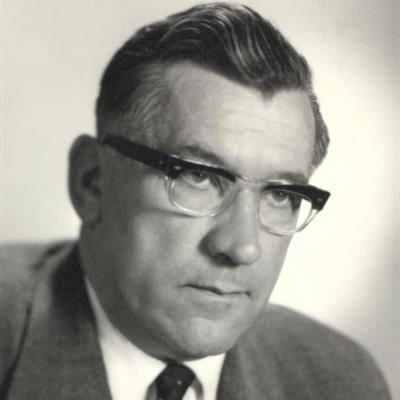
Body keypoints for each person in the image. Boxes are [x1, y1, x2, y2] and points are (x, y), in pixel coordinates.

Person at [0, 3, 391, 400]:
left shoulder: (342, 381)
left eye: (280, 194)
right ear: (92, 182)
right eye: (198, 177)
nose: (242, 247)